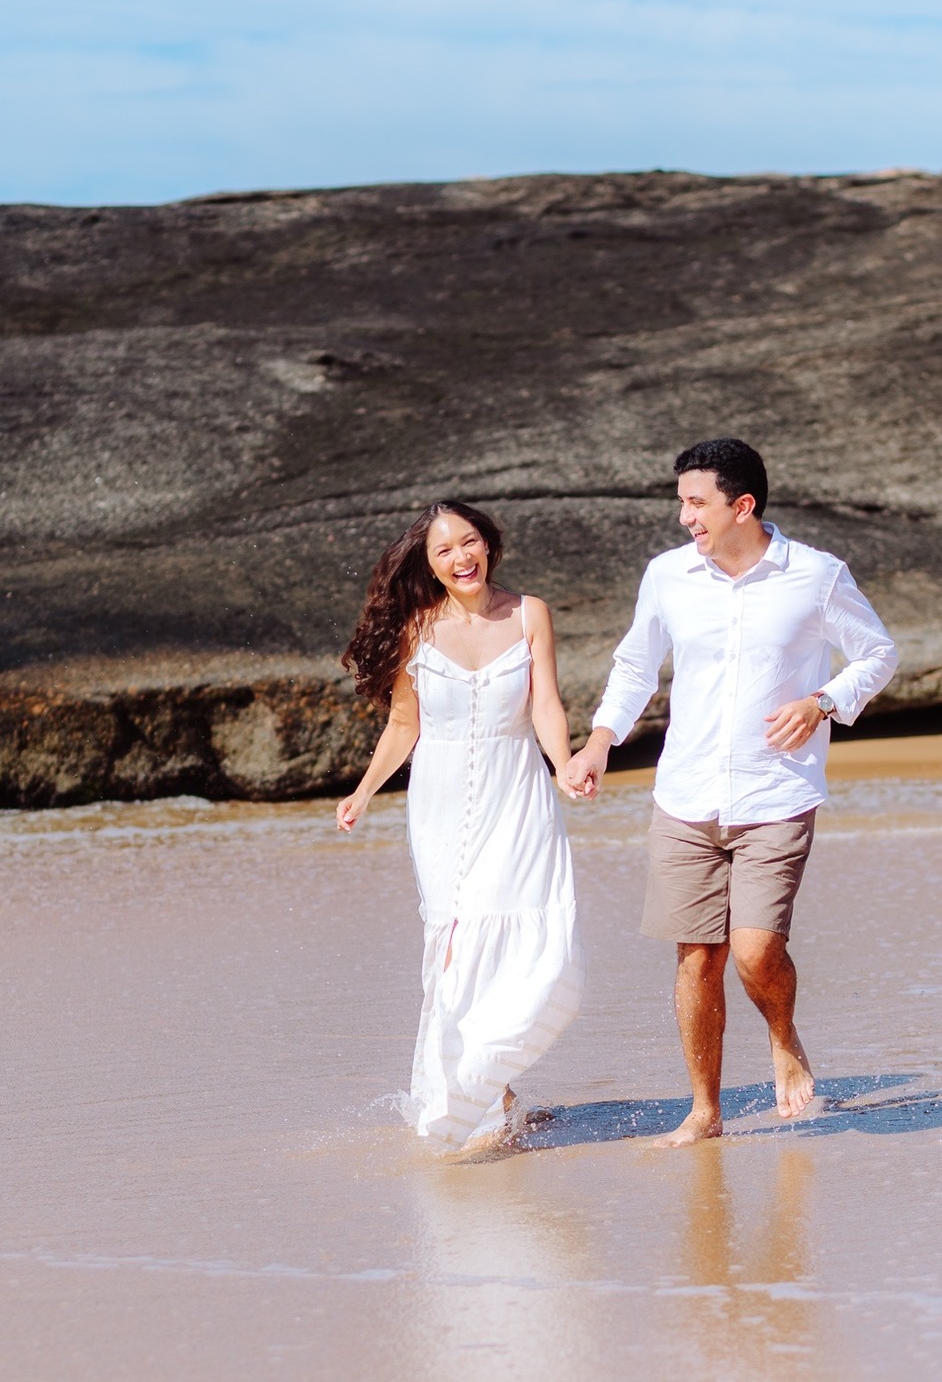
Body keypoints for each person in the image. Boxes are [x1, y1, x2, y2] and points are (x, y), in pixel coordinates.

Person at [564, 438, 897, 1147]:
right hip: (684, 795)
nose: (684, 516)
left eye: (697, 503)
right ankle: (704, 1111)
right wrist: (599, 739)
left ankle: (782, 1036)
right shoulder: (668, 576)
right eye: (681, 502)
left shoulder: (815, 576)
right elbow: (635, 664)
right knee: (697, 956)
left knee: (752, 953)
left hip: (776, 793)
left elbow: (877, 653)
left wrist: (823, 701)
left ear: (741, 505)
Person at [336, 501, 584, 1153]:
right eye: (444, 549)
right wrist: (363, 791)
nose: (460, 557)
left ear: (489, 544)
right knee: (457, 939)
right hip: (440, 806)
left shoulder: (530, 614)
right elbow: (402, 725)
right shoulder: (417, 629)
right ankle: (481, 1094)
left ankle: (494, 1082)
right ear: (429, 563)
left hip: (519, 796)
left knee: (519, 932)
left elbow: (547, 705)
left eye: (468, 541)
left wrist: (563, 765)